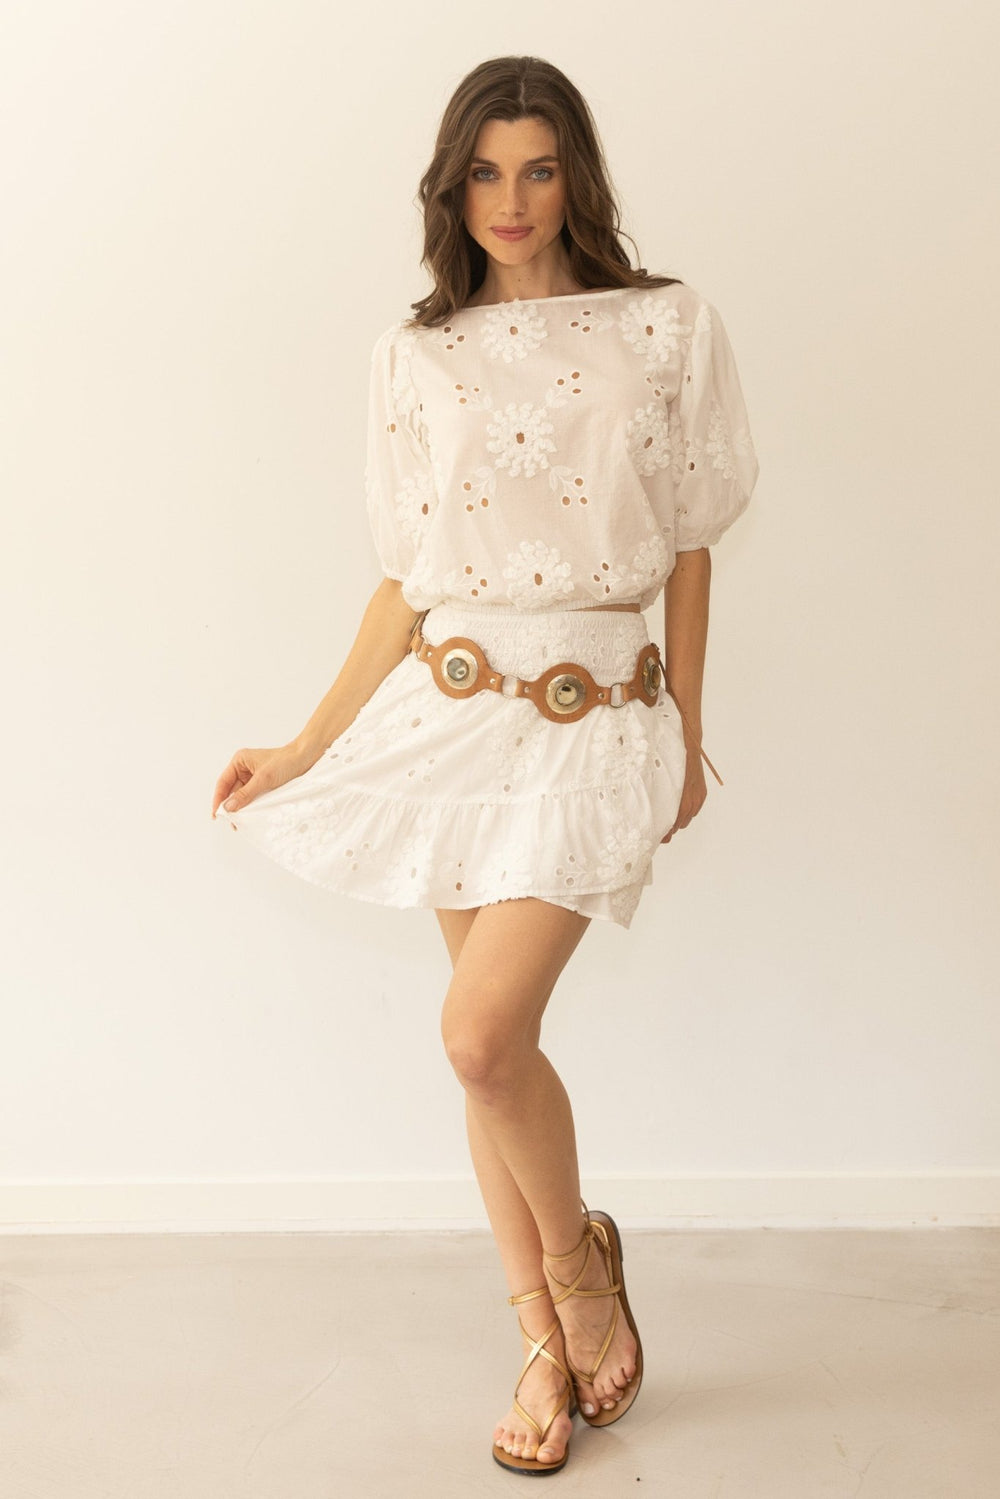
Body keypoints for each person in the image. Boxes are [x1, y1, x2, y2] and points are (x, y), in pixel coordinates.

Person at [211, 55, 758, 1476]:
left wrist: (690, 732)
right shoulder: (418, 356)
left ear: (576, 176)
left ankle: (580, 1276)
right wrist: (305, 744)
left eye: (538, 168)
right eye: (485, 173)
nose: (511, 201)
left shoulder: (664, 327)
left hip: (598, 713)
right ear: (451, 189)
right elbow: (408, 582)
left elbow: (691, 546)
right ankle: (541, 1333)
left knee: (477, 1033)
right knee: (486, 1054)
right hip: (448, 717)